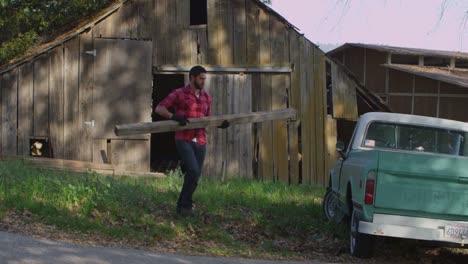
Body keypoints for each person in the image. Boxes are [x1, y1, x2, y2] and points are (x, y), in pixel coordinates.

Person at [155, 66, 229, 217]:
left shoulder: (206, 97)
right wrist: (173, 116)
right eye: (201, 78)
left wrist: (220, 125)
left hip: (200, 139)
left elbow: (207, 120)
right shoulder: (179, 94)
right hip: (184, 138)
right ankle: (184, 205)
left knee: (195, 175)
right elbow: (159, 108)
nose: (203, 81)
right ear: (192, 77)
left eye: (204, 79)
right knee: (193, 170)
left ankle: (184, 206)